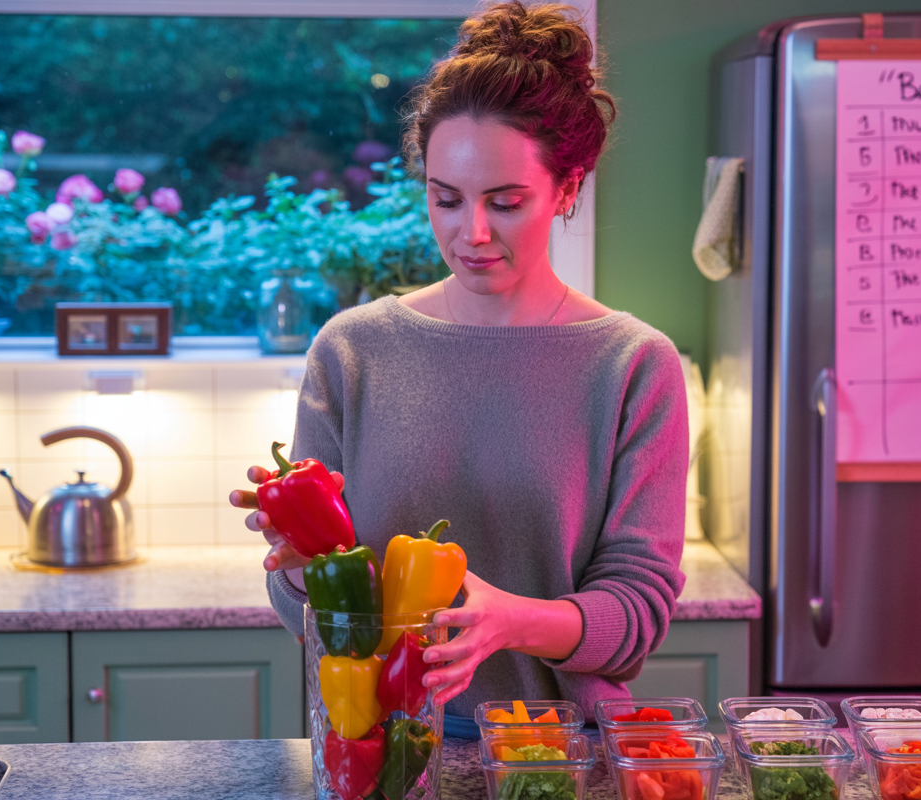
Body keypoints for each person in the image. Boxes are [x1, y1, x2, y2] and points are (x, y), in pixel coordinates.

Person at [229, 0, 688, 732]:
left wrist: (514, 621)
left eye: (505, 202)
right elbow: (307, 613)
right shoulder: (351, 351)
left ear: (567, 188)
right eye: (446, 199)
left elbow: (638, 612)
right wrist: (299, 560)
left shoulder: (634, 366)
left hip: (555, 751)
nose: (470, 232)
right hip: (378, 747)